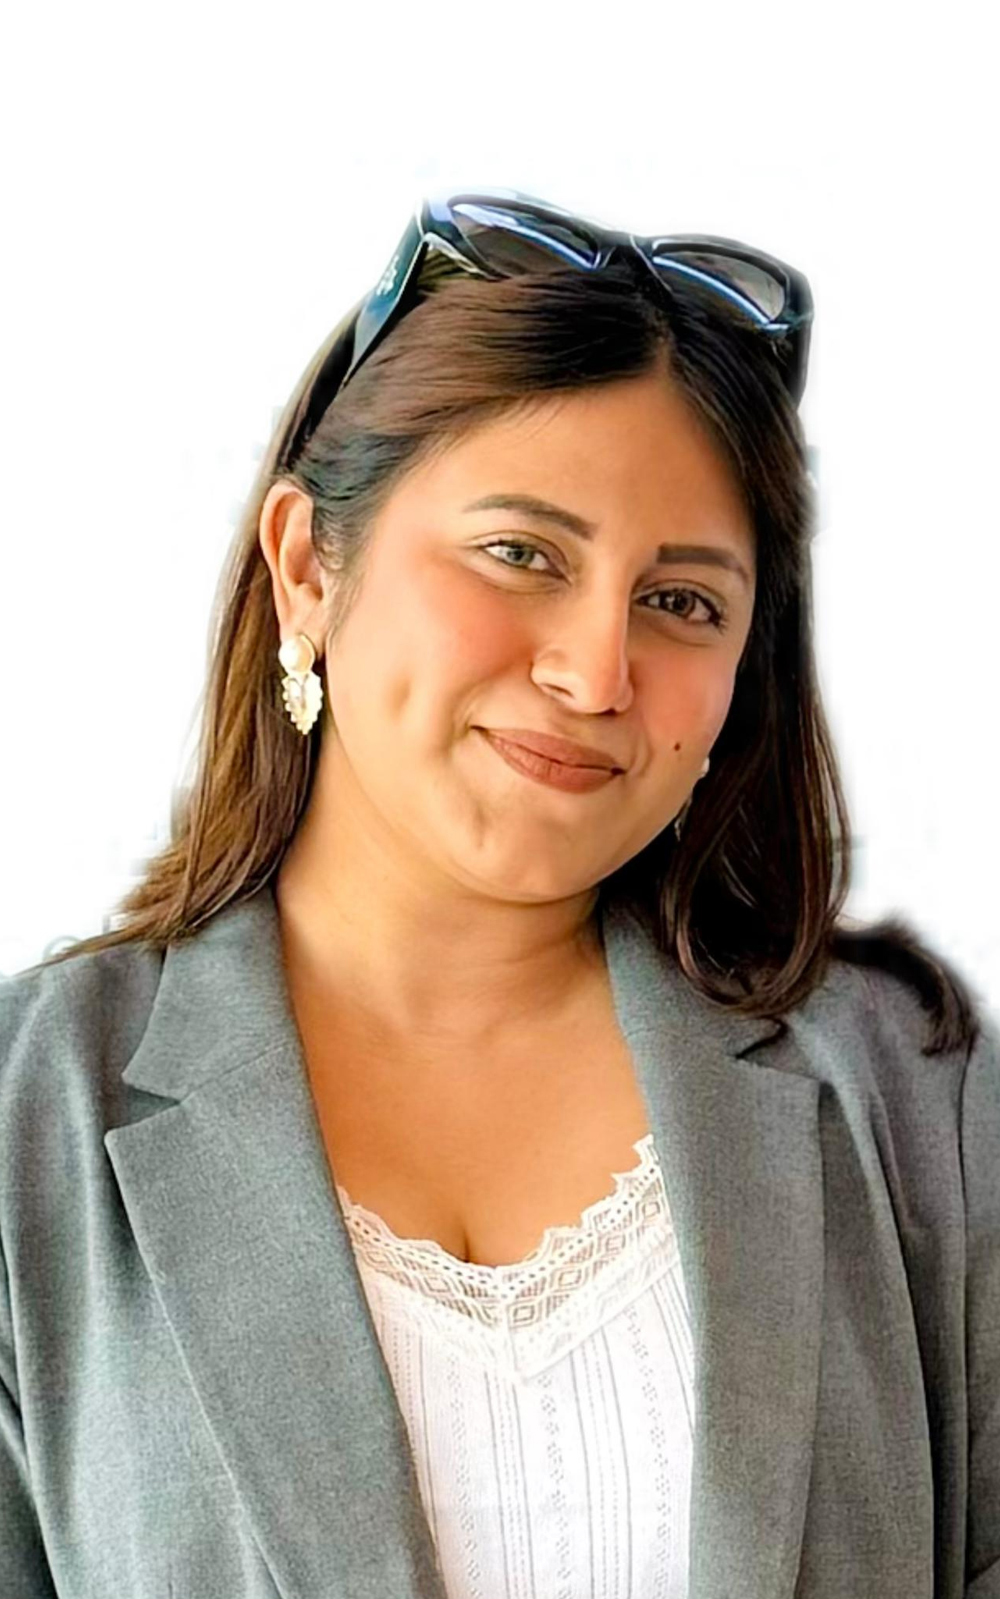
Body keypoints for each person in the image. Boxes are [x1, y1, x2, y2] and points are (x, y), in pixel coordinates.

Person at [1, 190, 996, 1599]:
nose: (595, 673)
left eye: (682, 601)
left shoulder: (925, 1108)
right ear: (308, 568)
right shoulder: (26, 1123)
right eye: (522, 554)